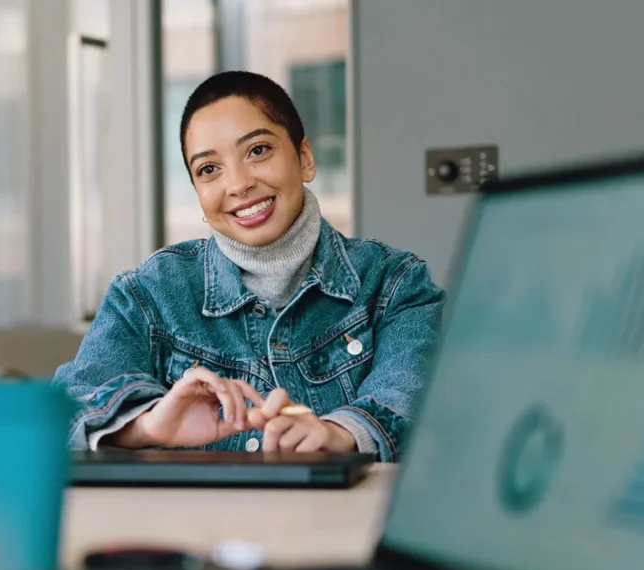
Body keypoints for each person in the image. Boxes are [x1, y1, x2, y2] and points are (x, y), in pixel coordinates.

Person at [53, 71, 445, 462]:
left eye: (257, 150)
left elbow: (418, 402)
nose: (238, 184)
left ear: (304, 158)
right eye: (209, 169)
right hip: (197, 525)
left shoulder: (396, 284)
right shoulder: (146, 295)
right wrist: (146, 426)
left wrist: (338, 433)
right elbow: (62, 414)